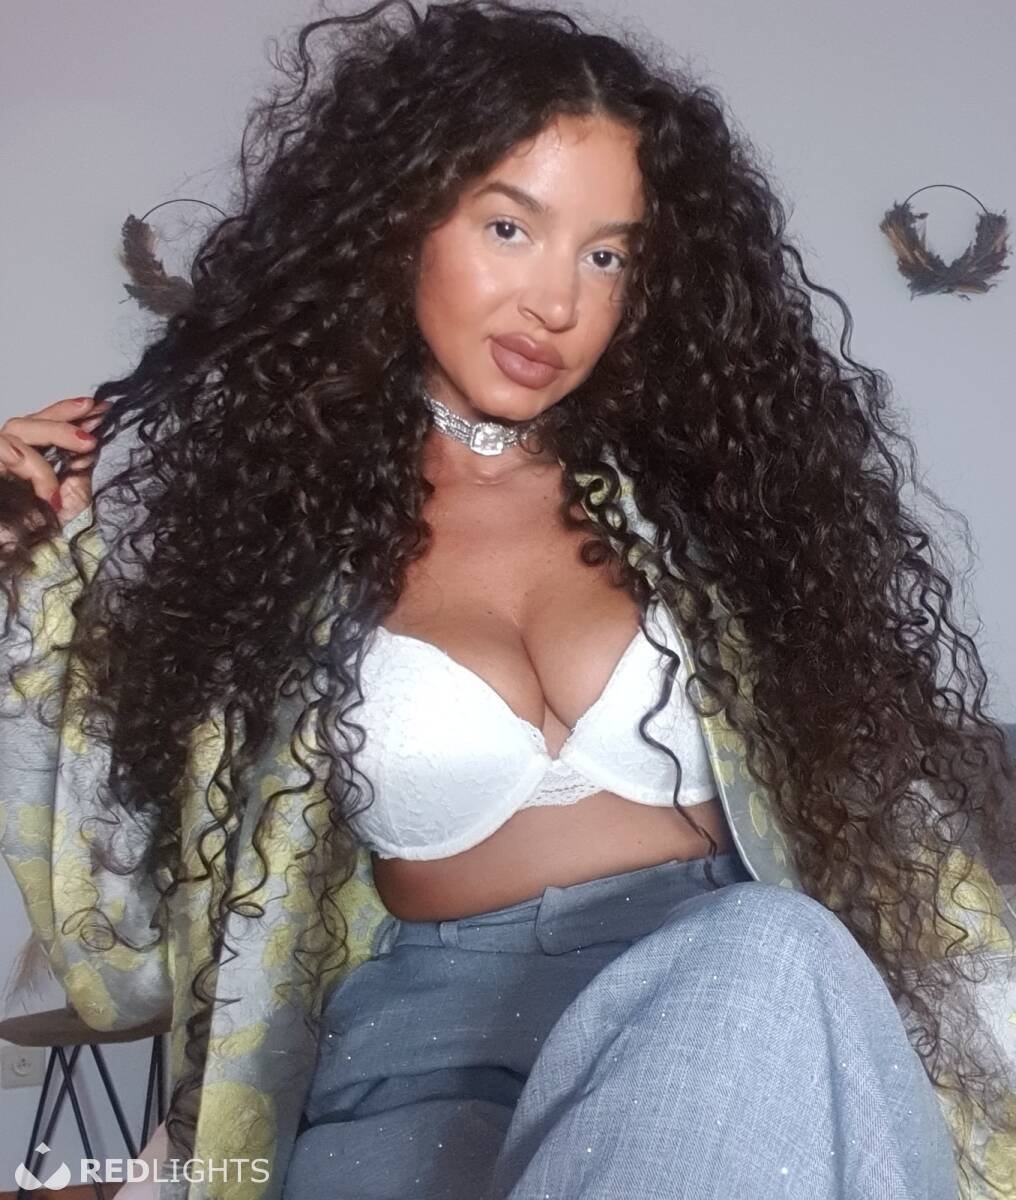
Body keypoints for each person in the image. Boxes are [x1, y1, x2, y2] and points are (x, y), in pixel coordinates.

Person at [2, 2, 1015, 1198]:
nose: (558, 304)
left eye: (607, 255)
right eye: (508, 226)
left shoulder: (718, 514)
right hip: (413, 1073)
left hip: (741, 1032)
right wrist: (32, 587)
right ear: (396, 224)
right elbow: (120, 956)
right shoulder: (264, 550)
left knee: (769, 946)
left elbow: (899, 851)